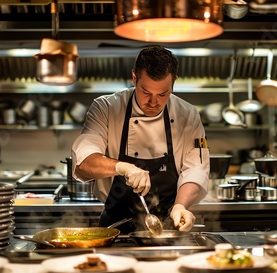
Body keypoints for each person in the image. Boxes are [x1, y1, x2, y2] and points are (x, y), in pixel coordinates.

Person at [71, 45, 210, 233]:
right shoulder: (106, 108)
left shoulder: (188, 115)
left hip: (170, 224)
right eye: (146, 92)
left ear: (173, 83)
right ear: (134, 78)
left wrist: (181, 206)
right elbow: (84, 163)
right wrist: (123, 167)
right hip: (115, 226)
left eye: (162, 94)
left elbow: (196, 169)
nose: (154, 102)